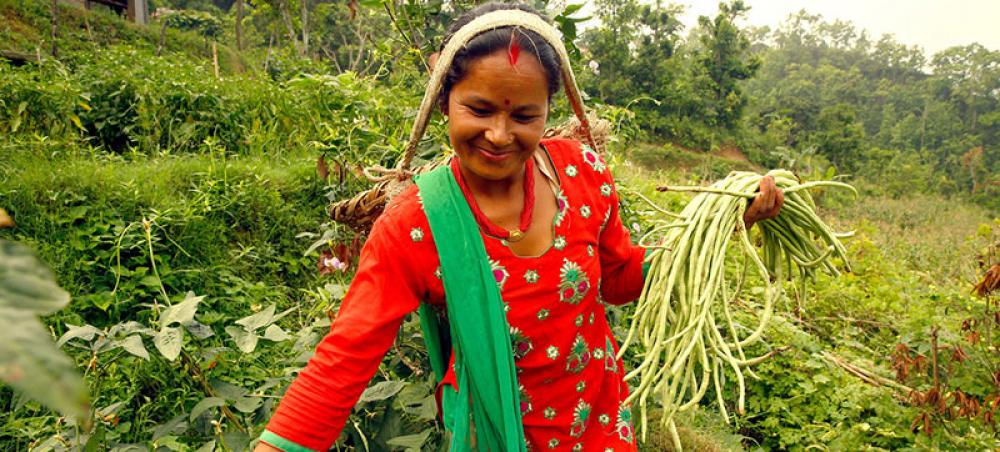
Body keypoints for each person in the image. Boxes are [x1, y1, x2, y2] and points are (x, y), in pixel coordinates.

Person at [255, 3, 782, 451]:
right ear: (444, 102)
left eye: (525, 116)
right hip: (497, 433)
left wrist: (718, 222)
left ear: (549, 110)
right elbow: (344, 358)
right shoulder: (417, 224)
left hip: (599, 423)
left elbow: (617, 279)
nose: (499, 135)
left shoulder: (581, 174)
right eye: (478, 109)